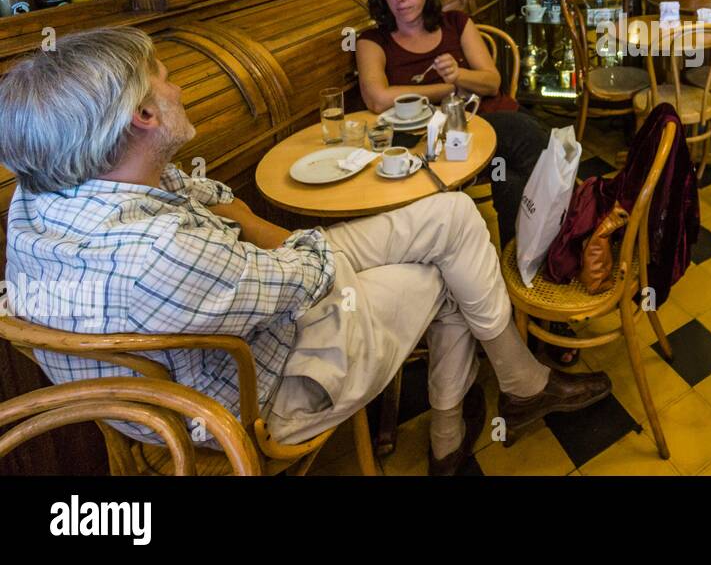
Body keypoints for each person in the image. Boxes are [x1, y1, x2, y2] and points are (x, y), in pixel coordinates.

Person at [0, 28, 611, 477]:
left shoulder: (39, 201)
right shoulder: (156, 252)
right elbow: (308, 274)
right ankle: (458, 429)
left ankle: (508, 390)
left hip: (247, 307)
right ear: (143, 115)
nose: (179, 85)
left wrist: (248, 225)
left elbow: (211, 198)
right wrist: (257, 229)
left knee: (453, 216)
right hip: (265, 394)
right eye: (165, 76)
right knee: (450, 260)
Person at [356, 0, 580, 368]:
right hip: (439, 144)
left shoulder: (455, 23)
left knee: (527, 168)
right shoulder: (373, 40)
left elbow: (491, 80)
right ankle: (543, 278)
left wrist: (458, 76)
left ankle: (536, 276)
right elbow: (377, 97)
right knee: (525, 171)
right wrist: (447, 89)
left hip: (489, 122)